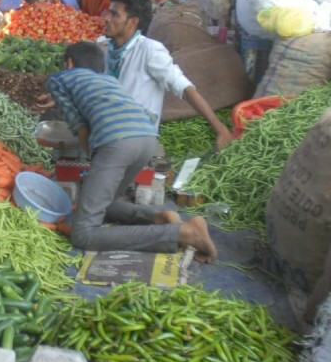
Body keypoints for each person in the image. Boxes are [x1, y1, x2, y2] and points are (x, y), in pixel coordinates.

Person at [45, 43, 216, 259]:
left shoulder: (59, 78)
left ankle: (183, 233)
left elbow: (78, 124)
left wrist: (93, 159)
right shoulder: (109, 80)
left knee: (83, 235)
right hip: (146, 140)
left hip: (118, 143)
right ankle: (160, 217)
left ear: (69, 63)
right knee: (105, 204)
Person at [93, 0, 233, 147]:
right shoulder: (111, 50)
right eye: (108, 13)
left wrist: (220, 129)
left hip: (135, 137)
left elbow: (185, 88)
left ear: (133, 22)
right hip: (111, 132)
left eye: (114, 15)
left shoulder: (149, 50)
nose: (106, 19)